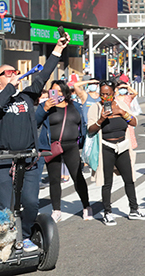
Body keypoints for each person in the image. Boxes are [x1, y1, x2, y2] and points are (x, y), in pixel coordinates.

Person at [0, 35, 68, 253]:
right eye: (9, 73)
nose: (15, 74)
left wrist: (58, 50)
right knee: (4, 206)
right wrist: (9, 89)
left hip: (28, 159)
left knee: (32, 203)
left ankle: (23, 236)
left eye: (16, 72)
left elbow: (43, 75)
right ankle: (2, 243)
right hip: (0, 160)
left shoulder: (25, 97)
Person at [87, 80, 145, 225]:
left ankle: (134, 209)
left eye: (108, 94)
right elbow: (90, 129)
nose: (105, 97)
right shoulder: (95, 108)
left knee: (129, 179)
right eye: (102, 94)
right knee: (107, 182)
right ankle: (107, 212)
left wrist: (122, 112)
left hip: (122, 146)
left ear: (113, 94)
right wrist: (101, 119)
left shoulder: (121, 104)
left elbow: (133, 122)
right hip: (106, 147)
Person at [36, 80, 91, 222]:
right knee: (54, 179)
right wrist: (45, 108)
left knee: (77, 176)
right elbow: (35, 122)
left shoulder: (76, 107)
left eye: (60, 91)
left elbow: (83, 125)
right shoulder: (45, 106)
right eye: (53, 91)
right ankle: (56, 210)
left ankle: (86, 206)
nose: (57, 94)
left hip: (71, 146)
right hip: (52, 147)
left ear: (66, 93)